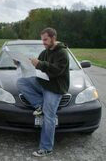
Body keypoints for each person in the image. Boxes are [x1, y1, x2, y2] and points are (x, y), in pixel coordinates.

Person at [16, 27, 69, 157]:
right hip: (43, 83)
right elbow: (35, 66)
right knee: (21, 82)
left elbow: (56, 70)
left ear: (53, 38)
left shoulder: (62, 53)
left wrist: (39, 64)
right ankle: (39, 105)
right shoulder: (45, 52)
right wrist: (20, 62)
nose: (43, 42)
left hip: (55, 88)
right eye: (42, 40)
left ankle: (46, 148)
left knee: (49, 116)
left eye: (45, 39)